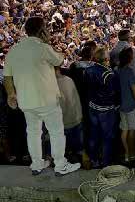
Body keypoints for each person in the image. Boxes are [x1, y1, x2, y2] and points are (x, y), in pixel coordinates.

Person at [2, 17, 80, 175]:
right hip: (47, 100)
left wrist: (11, 94)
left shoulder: (14, 50)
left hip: (25, 101)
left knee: (33, 132)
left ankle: (37, 164)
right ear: (42, 30)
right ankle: (60, 165)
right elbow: (59, 59)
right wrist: (48, 42)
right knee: (56, 132)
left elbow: (7, 77)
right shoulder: (43, 48)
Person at [84, 47, 120, 168]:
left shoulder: (87, 70)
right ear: (106, 59)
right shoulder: (109, 74)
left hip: (92, 107)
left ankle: (94, 160)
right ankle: (106, 163)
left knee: (94, 135)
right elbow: (113, 93)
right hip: (106, 110)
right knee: (107, 137)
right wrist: (115, 106)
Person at [116, 47, 135, 162]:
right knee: (132, 130)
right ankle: (132, 155)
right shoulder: (131, 71)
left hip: (121, 105)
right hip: (132, 106)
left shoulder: (117, 70)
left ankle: (126, 154)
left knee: (125, 130)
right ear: (130, 58)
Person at [55, 67, 83, 162]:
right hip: (76, 116)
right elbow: (76, 98)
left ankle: (70, 159)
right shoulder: (69, 79)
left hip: (64, 121)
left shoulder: (53, 84)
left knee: (67, 145)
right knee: (77, 144)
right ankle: (78, 157)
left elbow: (61, 103)